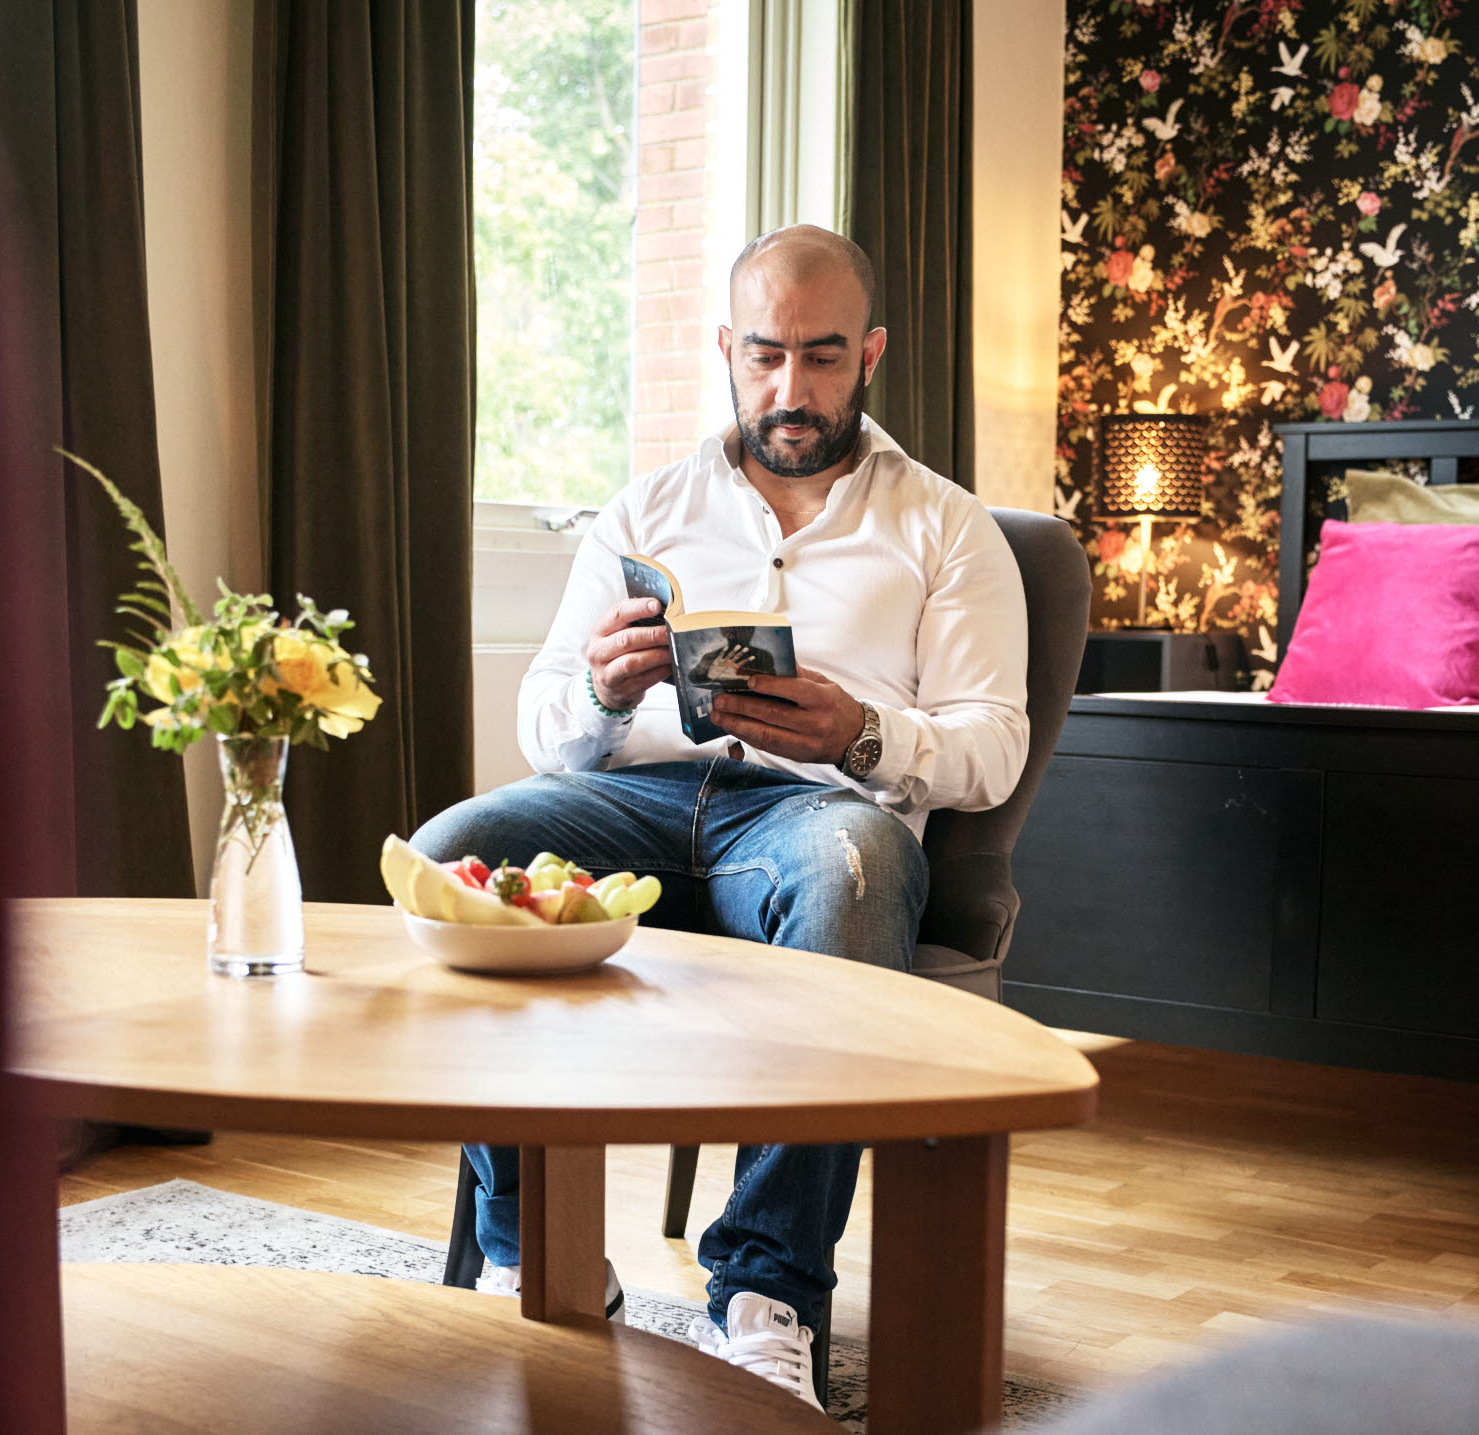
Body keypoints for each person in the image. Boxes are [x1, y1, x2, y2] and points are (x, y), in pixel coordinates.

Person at [410, 224, 1029, 1409]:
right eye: (764, 355)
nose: (790, 390)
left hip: (815, 813)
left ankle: (766, 1294)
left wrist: (858, 731)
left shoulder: (946, 527)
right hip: (632, 794)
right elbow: (548, 725)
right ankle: (529, 1253)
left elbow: (991, 746)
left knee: (852, 874)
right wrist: (601, 690)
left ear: (873, 355)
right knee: (454, 850)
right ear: (724, 351)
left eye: (824, 357)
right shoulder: (645, 509)